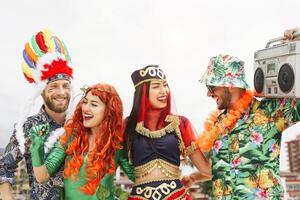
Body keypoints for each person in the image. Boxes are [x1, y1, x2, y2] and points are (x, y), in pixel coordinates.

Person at [197, 53, 300, 199]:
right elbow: (218, 171)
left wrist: (297, 38)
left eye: (212, 86)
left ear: (230, 85)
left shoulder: (270, 111)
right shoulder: (218, 124)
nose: (208, 93)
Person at [0, 29, 74, 200]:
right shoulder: (29, 127)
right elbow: (3, 168)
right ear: (42, 92)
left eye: (65, 86)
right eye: (53, 87)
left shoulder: (81, 125)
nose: (61, 92)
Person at [29, 83, 135, 199]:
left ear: (109, 111)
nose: (85, 108)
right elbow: (42, 176)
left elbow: (138, 178)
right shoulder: (71, 138)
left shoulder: (117, 145)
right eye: (84, 102)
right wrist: (36, 147)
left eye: (94, 104)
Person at [125, 65, 211, 200]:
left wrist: (193, 177)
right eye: (156, 86)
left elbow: (207, 170)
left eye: (165, 85)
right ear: (143, 92)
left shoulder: (180, 124)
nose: (164, 91)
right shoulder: (127, 126)